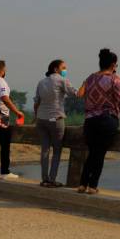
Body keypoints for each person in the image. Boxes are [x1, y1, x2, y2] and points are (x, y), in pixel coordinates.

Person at [76, 48, 120, 194]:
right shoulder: (114, 79)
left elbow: (81, 94)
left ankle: (82, 184)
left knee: (92, 152)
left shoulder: (90, 78)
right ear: (113, 65)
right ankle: (92, 186)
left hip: (90, 121)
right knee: (99, 154)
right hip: (107, 120)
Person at [33, 59, 77, 187]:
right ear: (56, 69)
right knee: (57, 150)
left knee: (45, 150)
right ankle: (52, 180)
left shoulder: (41, 82)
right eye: (63, 67)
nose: (65, 70)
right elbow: (76, 93)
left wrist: (36, 116)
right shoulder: (62, 80)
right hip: (55, 119)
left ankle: (44, 179)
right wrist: (85, 85)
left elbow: (37, 102)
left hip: (41, 120)